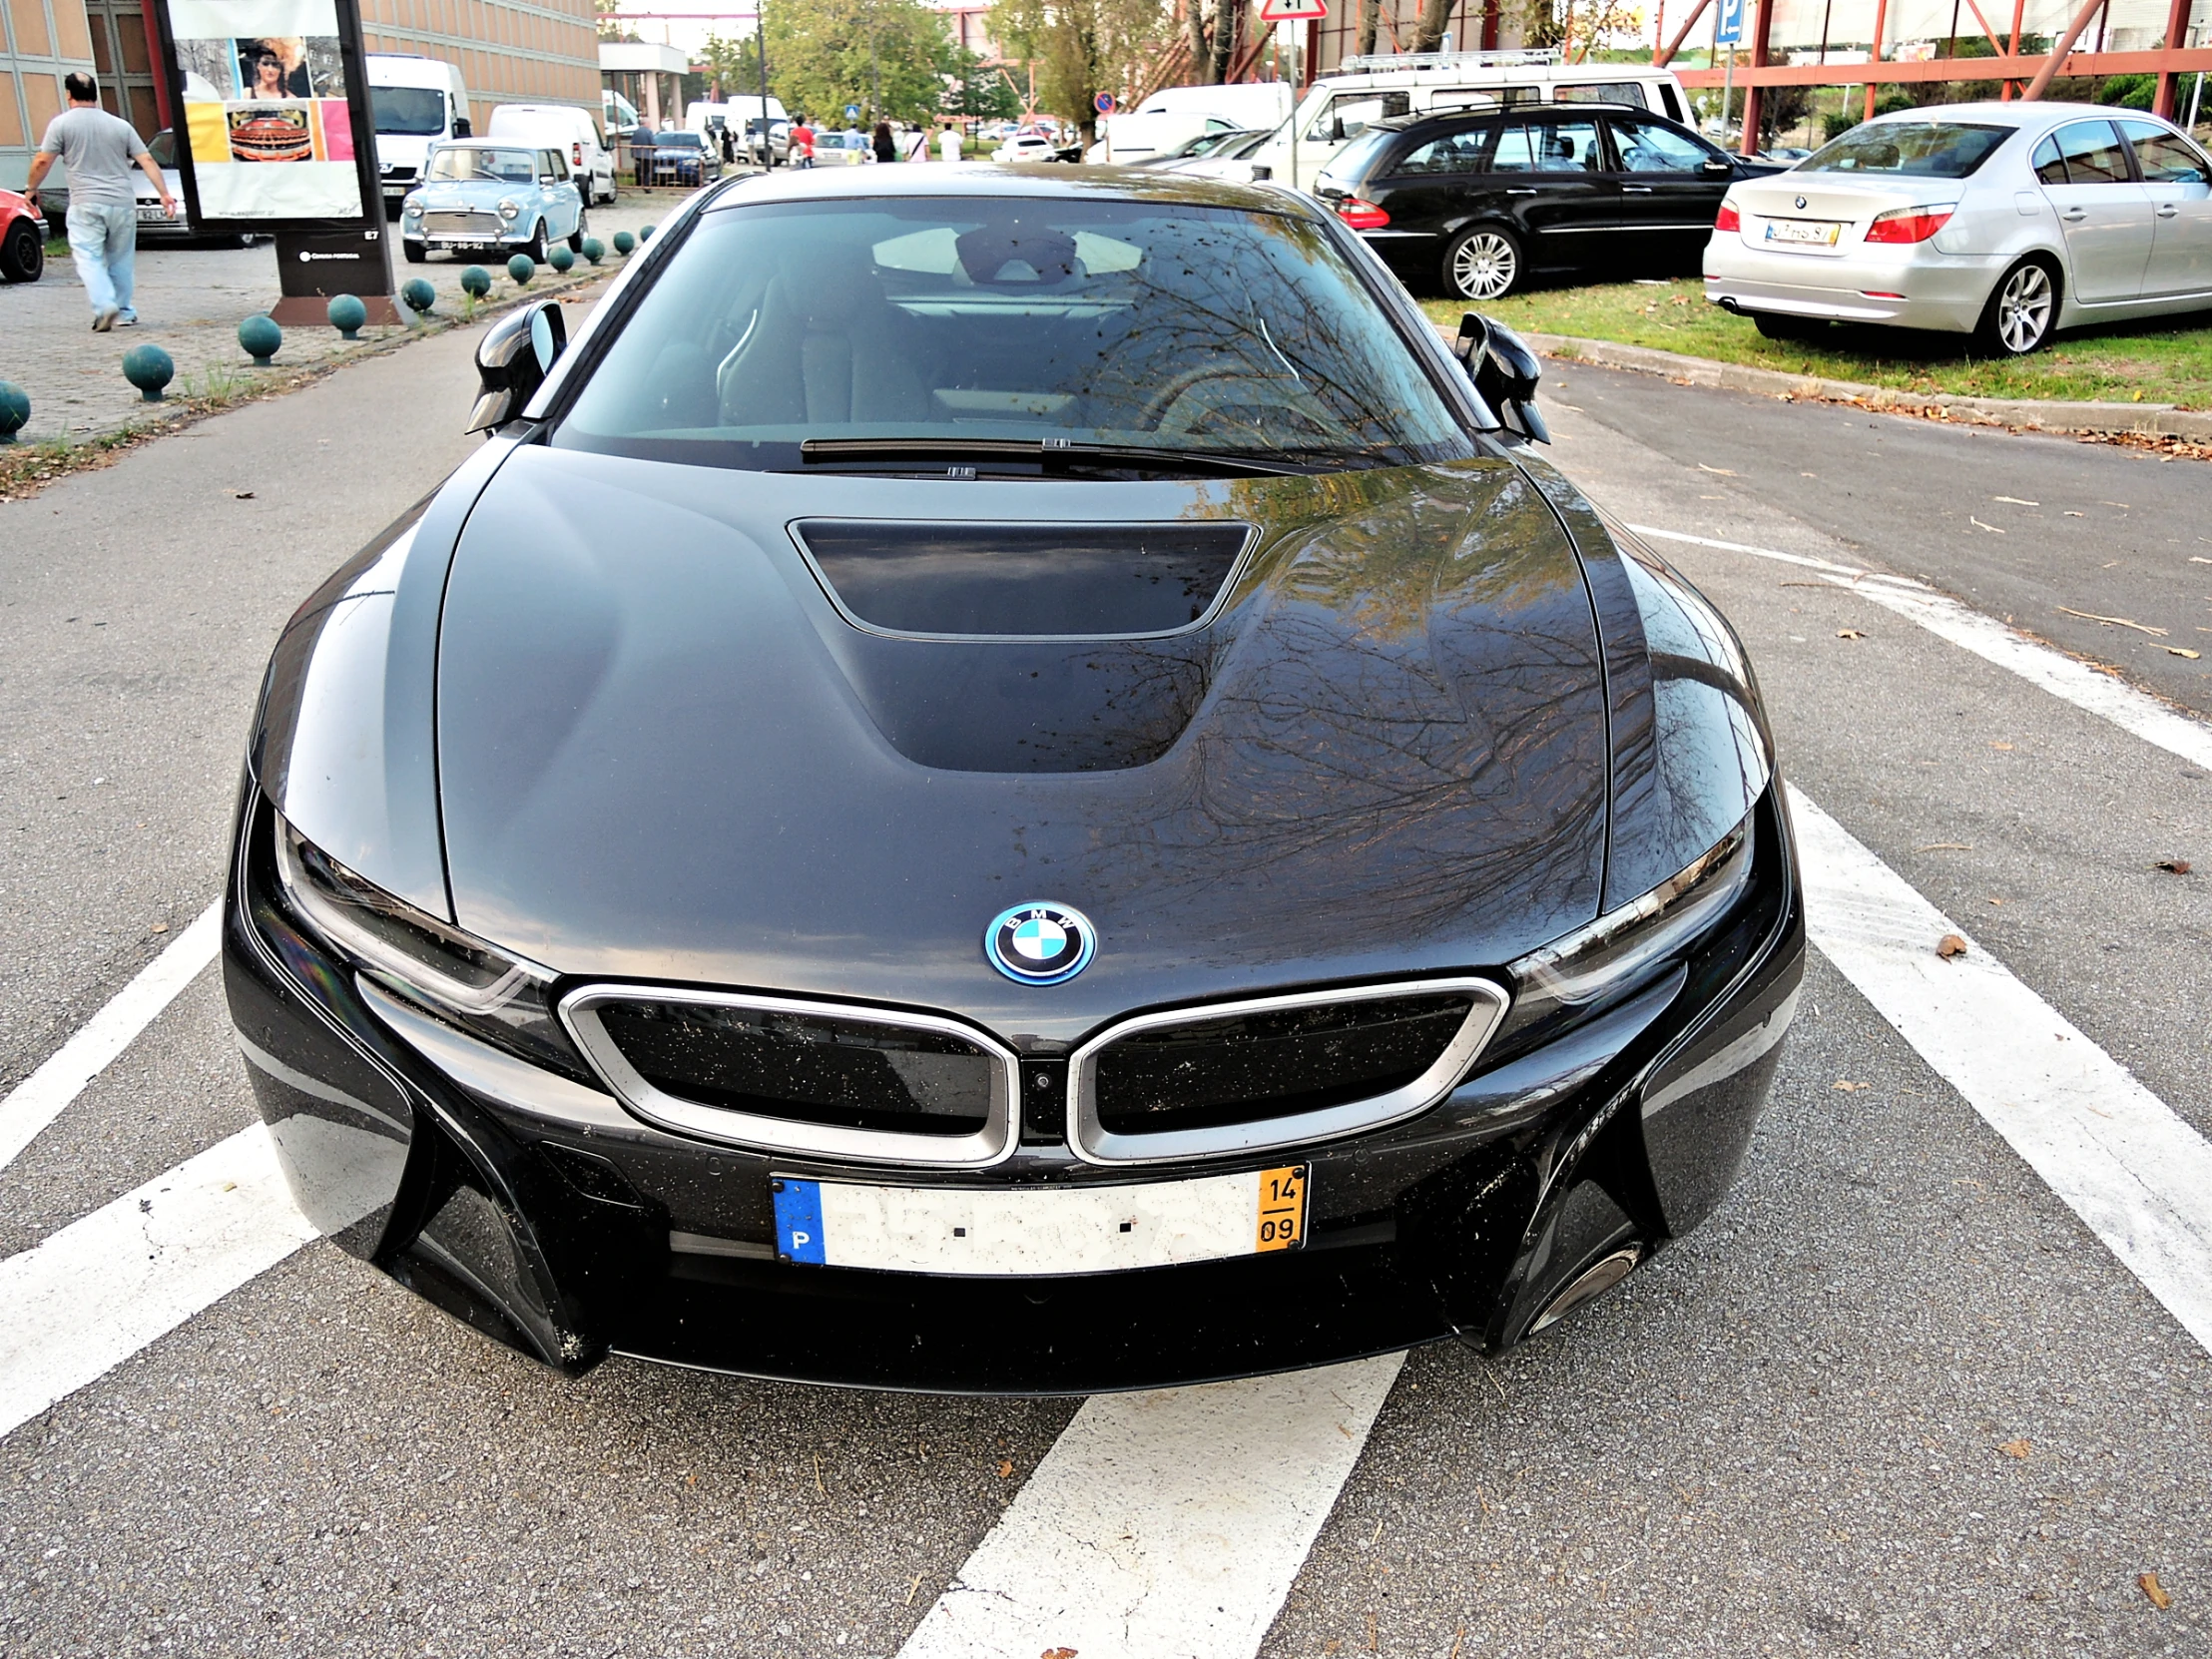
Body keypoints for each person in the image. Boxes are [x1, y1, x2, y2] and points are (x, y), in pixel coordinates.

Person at [23, 72, 176, 332]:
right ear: (95, 93)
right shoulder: (120, 125)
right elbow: (147, 160)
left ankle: (104, 305)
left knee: (89, 257)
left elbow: (42, 161)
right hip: (121, 202)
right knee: (121, 259)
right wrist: (163, 193)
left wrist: (31, 189)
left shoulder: (61, 125)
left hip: (85, 203)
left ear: (68, 94)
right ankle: (125, 311)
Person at [631, 115, 656, 186]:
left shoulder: (636, 132)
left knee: (639, 169)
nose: (650, 125)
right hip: (647, 155)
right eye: (649, 123)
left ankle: (638, 183)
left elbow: (632, 143)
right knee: (648, 170)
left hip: (637, 154)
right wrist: (655, 149)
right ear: (646, 123)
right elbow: (652, 143)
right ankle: (646, 185)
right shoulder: (648, 132)